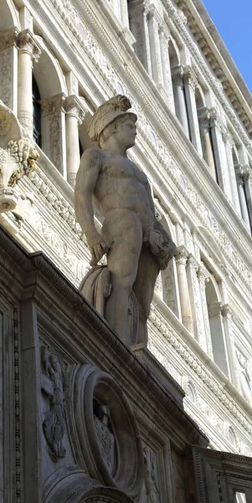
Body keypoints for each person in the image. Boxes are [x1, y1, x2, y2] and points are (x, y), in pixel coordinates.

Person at [74, 95, 176, 345]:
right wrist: (91, 232)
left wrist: (164, 239)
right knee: (122, 282)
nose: (135, 132)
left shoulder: (139, 172)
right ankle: (117, 344)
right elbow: (81, 194)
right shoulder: (96, 157)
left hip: (148, 236)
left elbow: (150, 210)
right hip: (121, 222)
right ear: (112, 128)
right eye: (130, 126)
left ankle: (139, 352)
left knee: (143, 305)